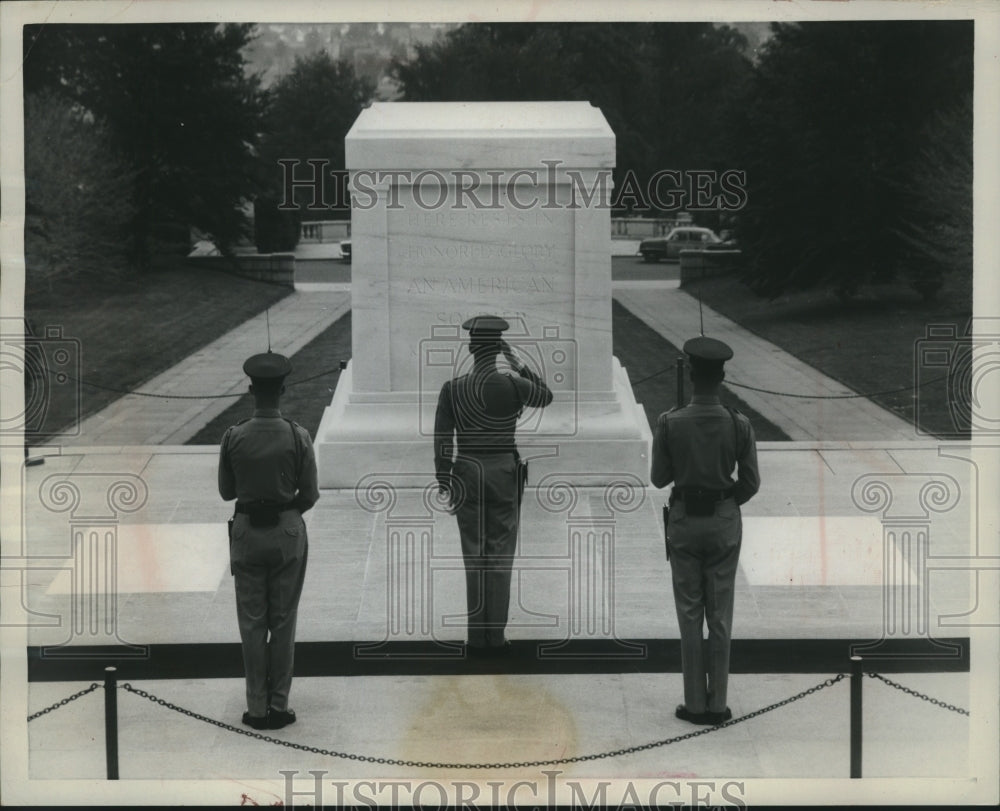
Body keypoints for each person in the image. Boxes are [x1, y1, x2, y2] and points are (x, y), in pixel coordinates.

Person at [651, 336, 760, 726]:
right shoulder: (738, 422)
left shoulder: (670, 421)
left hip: (684, 522)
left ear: (692, 374)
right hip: (724, 520)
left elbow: (659, 477)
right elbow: (751, 482)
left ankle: (694, 703)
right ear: (722, 376)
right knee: (720, 614)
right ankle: (718, 705)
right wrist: (726, 504)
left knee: (689, 613)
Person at [434, 316, 553, 656]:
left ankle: (476, 637)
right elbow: (546, 397)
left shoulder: (453, 388)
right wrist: (518, 362)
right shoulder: (514, 384)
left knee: (474, 554)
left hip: (467, 472)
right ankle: (496, 637)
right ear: (499, 348)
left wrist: (444, 475)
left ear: (471, 347)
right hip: (503, 471)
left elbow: (443, 438)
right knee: (500, 555)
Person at [218, 351, 319, 730]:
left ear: (250, 390)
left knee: (252, 623)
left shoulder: (234, 435)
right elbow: (309, 493)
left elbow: (227, 492)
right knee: (283, 620)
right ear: (283, 389)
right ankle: (279, 705)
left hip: (247, 531)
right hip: (286, 530)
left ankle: (256, 707)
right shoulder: (298, 435)